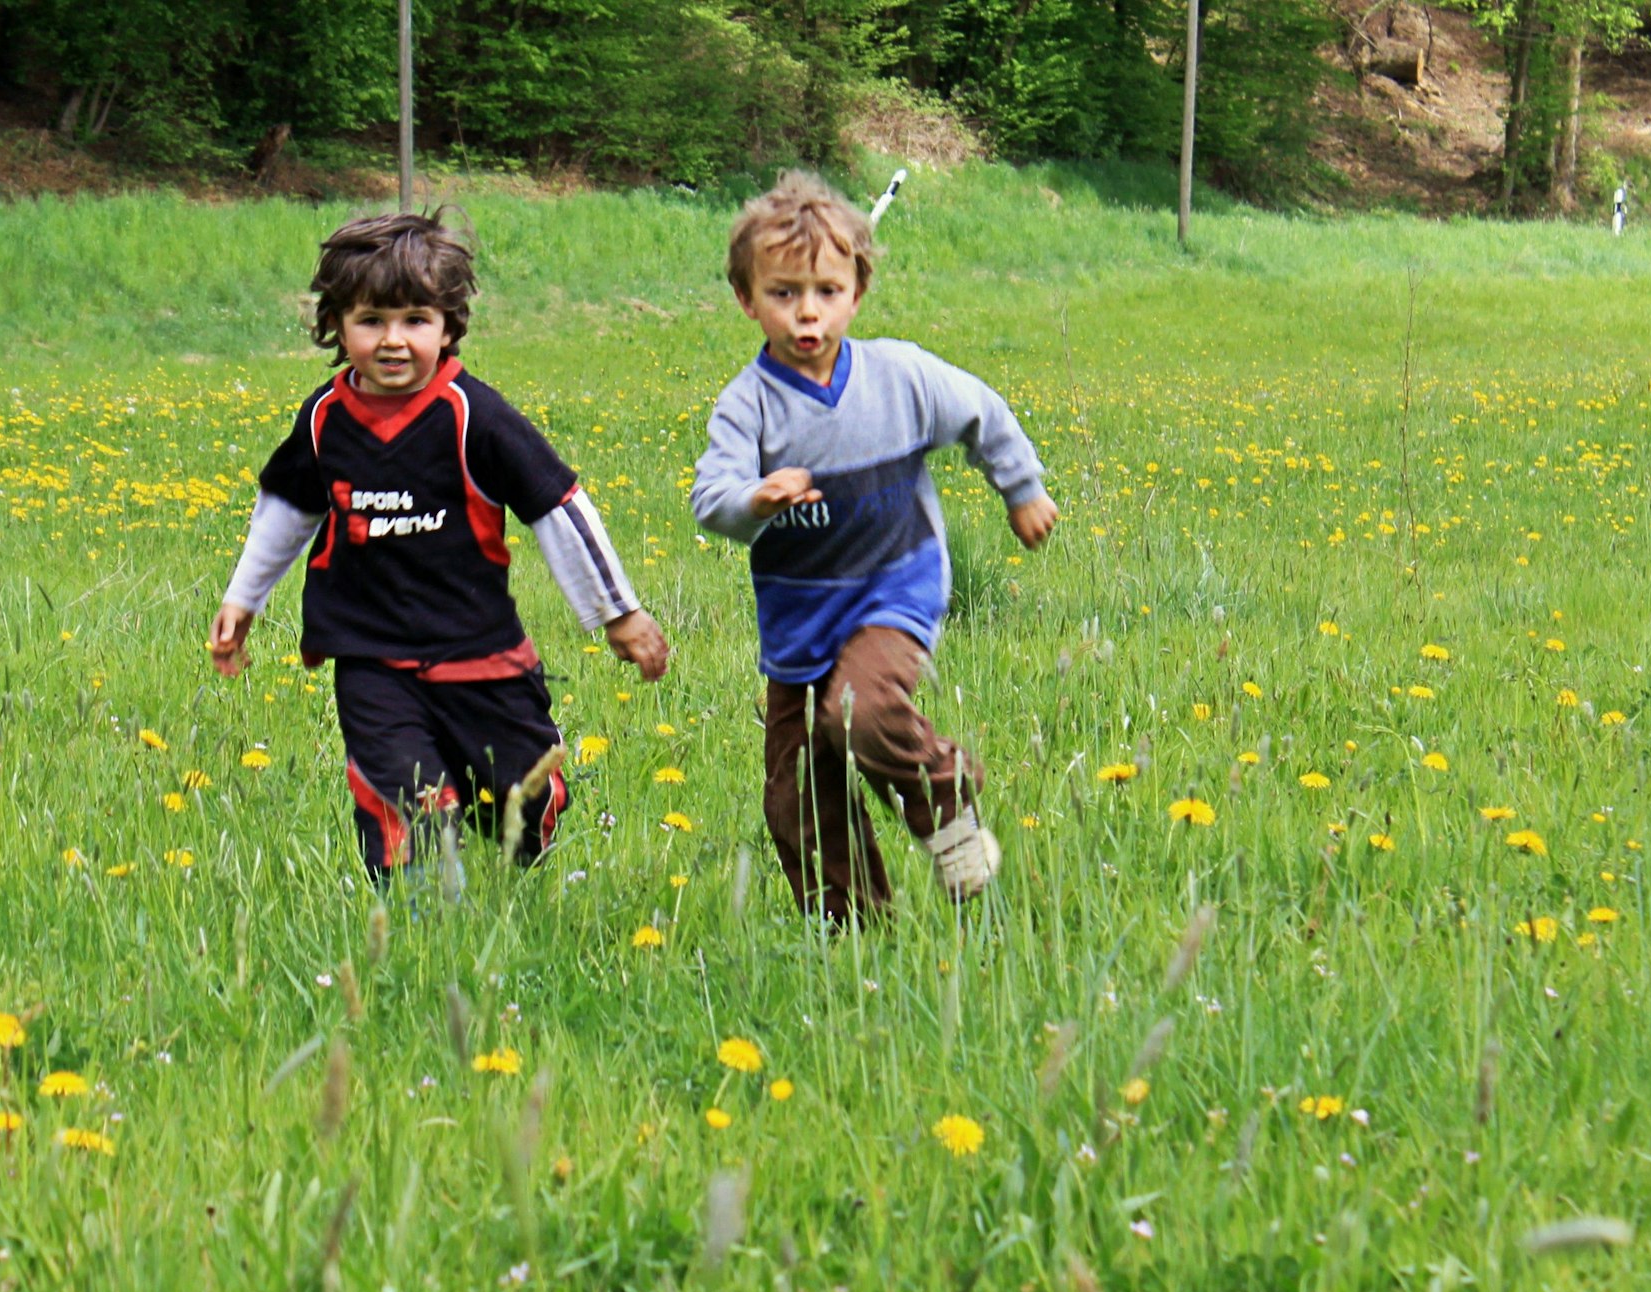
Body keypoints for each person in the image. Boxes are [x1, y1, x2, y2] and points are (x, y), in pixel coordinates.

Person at [209, 211, 668, 881]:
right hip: (370, 657)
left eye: (415, 321)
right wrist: (242, 599)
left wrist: (617, 613)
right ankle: (426, 928)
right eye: (371, 321)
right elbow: (288, 506)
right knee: (406, 802)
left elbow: (557, 508)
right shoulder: (324, 419)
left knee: (521, 799)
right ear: (336, 325)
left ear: (449, 326)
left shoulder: (474, 417)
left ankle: (521, 823)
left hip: (479, 654)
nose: (393, 341)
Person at [692, 172, 1057, 923]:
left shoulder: (902, 377)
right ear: (746, 299)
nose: (807, 313)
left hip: (895, 587)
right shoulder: (748, 406)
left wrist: (1021, 489)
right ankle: (853, 936)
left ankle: (947, 807)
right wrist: (754, 499)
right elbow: (712, 500)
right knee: (796, 793)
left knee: (856, 713)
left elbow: (981, 413)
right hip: (800, 619)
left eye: (826, 291)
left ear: (856, 292)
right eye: (783, 293)